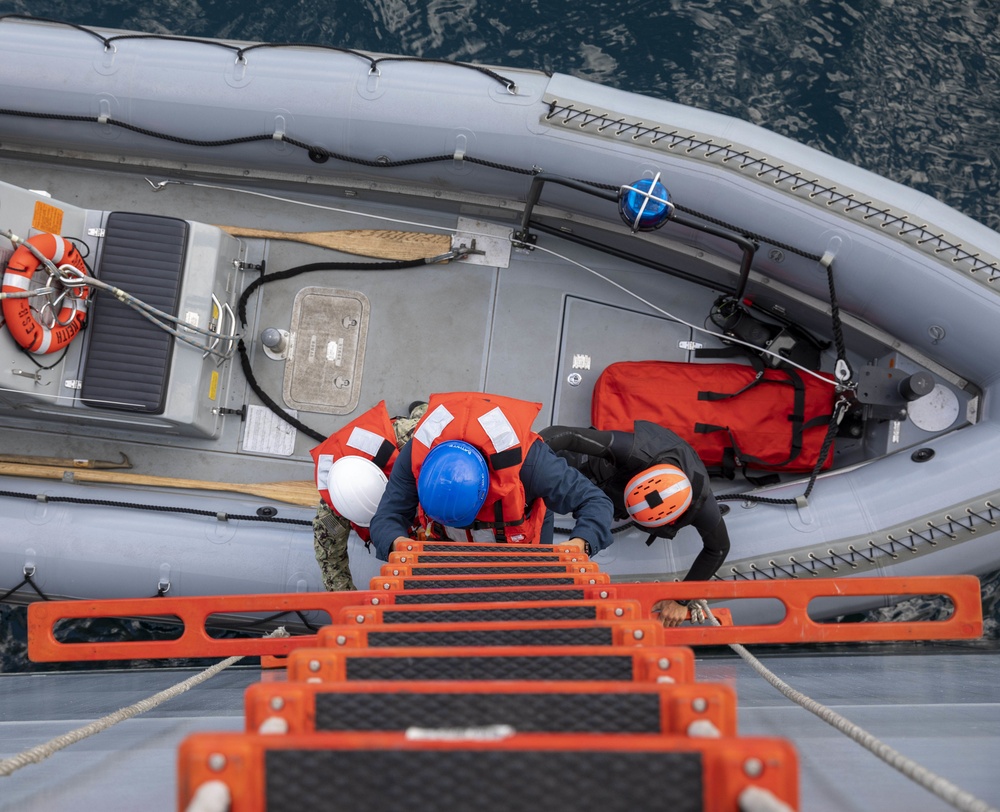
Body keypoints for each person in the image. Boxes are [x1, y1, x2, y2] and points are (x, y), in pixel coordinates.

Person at [368, 392, 613, 558]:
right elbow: (387, 516)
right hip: (449, 544)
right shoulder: (415, 455)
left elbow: (595, 501)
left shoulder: (532, 464)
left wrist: (581, 543)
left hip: (520, 534)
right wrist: (397, 543)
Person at [540, 420, 731, 627]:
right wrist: (532, 460)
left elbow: (719, 548)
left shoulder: (702, 507)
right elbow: (567, 434)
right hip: (598, 471)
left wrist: (681, 599)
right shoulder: (634, 451)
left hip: (622, 498)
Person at [310, 400, 427, 591]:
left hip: (397, 439)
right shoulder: (332, 512)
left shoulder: (407, 437)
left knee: (424, 417)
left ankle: (419, 409)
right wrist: (349, 603)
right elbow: (330, 562)